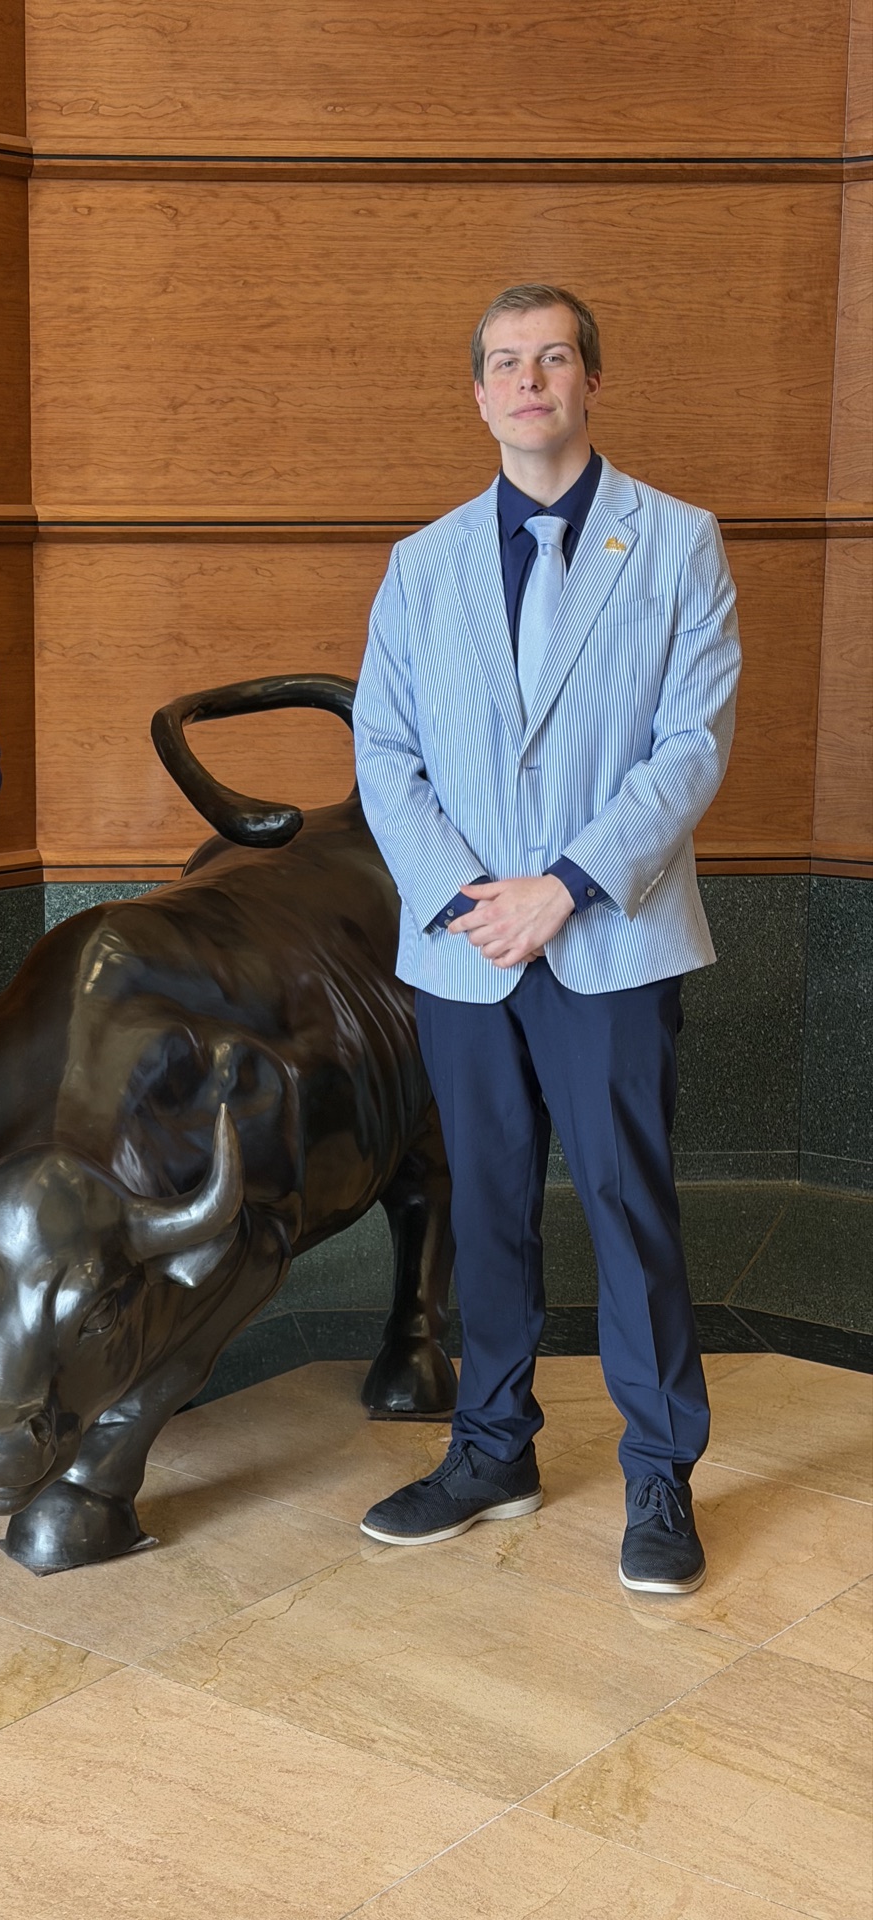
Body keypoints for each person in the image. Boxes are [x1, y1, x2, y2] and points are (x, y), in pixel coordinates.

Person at [352, 283, 740, 1594]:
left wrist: (563, 885)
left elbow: (690, 750)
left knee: (631, 1214)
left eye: (554, 358)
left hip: (610, 939)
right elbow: (386, 754)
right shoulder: (421, 564)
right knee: (488, 1208)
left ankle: (659, 1482)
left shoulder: (679, 543)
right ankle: (490, 1451)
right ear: (479, 394)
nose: (530, 380)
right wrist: (476, 896)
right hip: (467, 948)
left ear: (588, 382)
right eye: (506, 362)